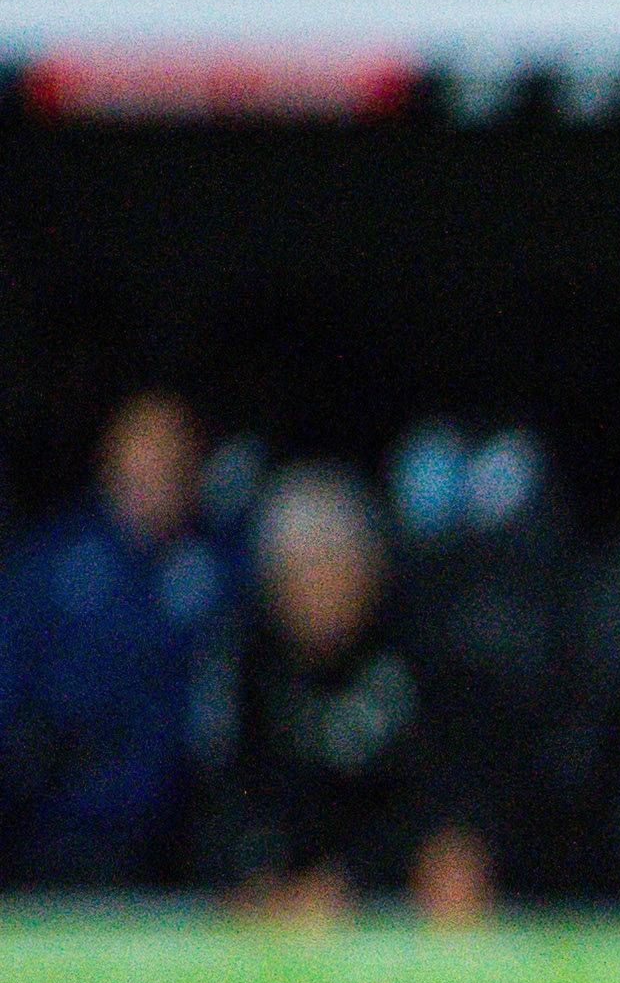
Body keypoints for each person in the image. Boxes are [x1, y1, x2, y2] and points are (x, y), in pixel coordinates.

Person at [199, 463, 499, 925]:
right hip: (286, 880)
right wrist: (254, 873)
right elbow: (231, 792)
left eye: (334, 571)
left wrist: (352, 879)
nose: (320, 598)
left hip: (392, 877)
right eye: (302, 578)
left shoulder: (420, 647)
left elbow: (445, 790)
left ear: (368, 571)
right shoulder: (248, 658)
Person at [0, 389, 236, 887]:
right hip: (62, 830)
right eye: (147, 448)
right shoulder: (53, 562)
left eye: (175, 452)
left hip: (186, 834)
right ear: (111, 459)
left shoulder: (222, 565)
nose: (162, 466)